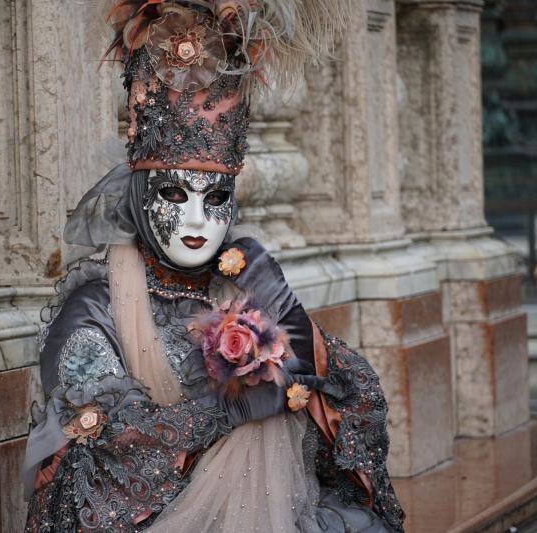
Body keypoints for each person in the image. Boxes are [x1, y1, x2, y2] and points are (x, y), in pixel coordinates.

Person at [22, 1, 405, 531]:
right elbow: (115, 446)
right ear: (138, 193)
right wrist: (231, 411)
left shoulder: (237, 282)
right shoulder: (93, 312)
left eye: (217, 195)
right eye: (176, 193)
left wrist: (289, 315)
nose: (199, 218)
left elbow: (354, 393)